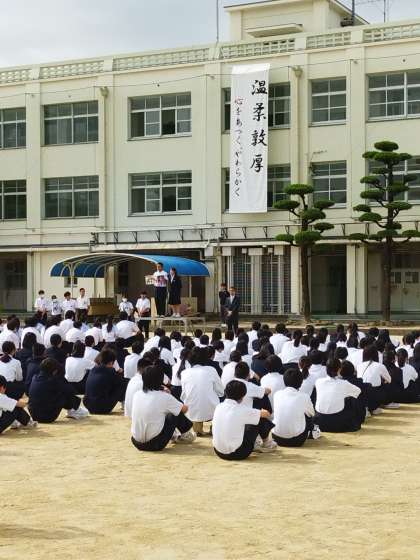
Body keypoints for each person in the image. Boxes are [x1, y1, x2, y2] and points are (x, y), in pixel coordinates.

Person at [131, 365, 195, 452]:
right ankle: (185, 435)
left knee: (161, 411)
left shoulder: (137, 394)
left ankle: (175, 435)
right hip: (155, 444)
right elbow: (184, 409)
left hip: (136, 442)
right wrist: (169, 394)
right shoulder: (164, 397)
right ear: (160, 380)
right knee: (173, 414)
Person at [212, 380, 273, 461]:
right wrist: (260, 410)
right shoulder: (241, 409)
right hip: (239, 453)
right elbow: (267, 414)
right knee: (259, 418)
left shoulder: (219, 406)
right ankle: (267, 444)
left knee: (247, 420)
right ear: (243, 396)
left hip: (218, 451)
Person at [180, 347, 224, 436]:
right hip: (212, 410)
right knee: (219, 398)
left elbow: (184, 395)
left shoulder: (184, 372)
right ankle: (214, 427)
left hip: (191, 411)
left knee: (193, 400)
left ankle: (197, 428)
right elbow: (221, 391)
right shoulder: (211, 370)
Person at [272, 368, 319, 447]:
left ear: (284, 381)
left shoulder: (277, 394)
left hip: (277, 438)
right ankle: (313, 432)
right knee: (307, 414)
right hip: (297, 440)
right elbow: (312, 414)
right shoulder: (304, 396)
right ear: (301, 383)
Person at [315, 358, 362, 432]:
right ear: (339, 369)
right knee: (350, 399)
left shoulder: (318, 381)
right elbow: (358, 391)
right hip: (337, 423)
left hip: (319, 421)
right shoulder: (343, 383)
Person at [83, 349, 126, 414]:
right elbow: (120, 385)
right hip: (102, 408)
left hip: (88, 405)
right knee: (122, 384)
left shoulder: (93, 369)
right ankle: (124, 404)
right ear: (111, 362)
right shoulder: (111, 371)